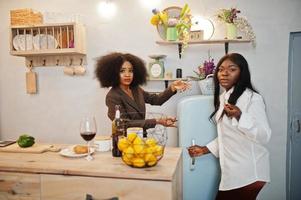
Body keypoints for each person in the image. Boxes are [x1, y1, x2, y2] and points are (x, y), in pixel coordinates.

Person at [188, 53, 271, 200]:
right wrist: (204, 150)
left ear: (242, 73)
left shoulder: (253, 98)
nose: (224, 73)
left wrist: (240, 116)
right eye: (220, 69)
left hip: (248, 173)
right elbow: (228, 136)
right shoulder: (224, 98)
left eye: (232, 69)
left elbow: (264, 136)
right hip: (235, 173)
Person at [95, 52, 190, 131]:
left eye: (130, 71)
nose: (127, 74)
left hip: (141, 139)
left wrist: (172, 87)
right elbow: (123, 124)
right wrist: (157, 121)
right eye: (122, 71)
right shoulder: (112, 96)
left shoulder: (135, 89)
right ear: (113, 73)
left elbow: (155, 100)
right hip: (124, 142)